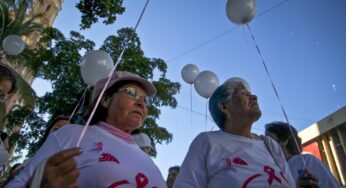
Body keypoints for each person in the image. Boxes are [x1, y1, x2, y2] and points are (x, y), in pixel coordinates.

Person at [6, 71, 166, 187]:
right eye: (132, 93)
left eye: (145, 100)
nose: (141, 103)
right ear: (105, 100)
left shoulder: (150, 163)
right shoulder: (72, 134)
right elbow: (18, 183)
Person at [174, 78, 317, 188]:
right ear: (224, 107)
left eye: (250, 94)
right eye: (244, 94)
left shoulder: (271, 146)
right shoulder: (207, 142)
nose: (254, 97)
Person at [265, 121, 340, 188]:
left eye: (270, 139)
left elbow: (330, 184)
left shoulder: (307, 160)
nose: (265, 144)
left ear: (284, 141)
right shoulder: (271, 170)